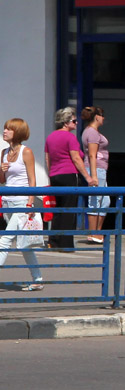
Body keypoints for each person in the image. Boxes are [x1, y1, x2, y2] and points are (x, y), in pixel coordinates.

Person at [1, 118, 46, 291]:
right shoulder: (4, 152)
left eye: (8, 129)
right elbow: (2, 180)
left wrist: (30, 203)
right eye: (5, 129)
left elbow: (32, 178)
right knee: (25, 245)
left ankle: (37, 279)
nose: (5, 131)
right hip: (7, 201)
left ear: (17, 132)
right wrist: (1, 169)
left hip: (21, 201)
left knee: (5, 239)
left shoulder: (26, 152)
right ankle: (38, 279)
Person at [45, 106, 91, 250]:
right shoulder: (70, 137)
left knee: (58, 209)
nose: (76, 123)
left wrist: (51, 174)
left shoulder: (50, 137)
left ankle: (53, 240)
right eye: (74, 121)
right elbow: (76, 158)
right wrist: (88, 178)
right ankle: (65, 243)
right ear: (66, 122)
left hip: (55, 175)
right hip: (69, 174)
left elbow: (48, 159)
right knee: (68, 209)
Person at [79, 106, 109, 244]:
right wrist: (94, 175)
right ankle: (93, 232)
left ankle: (97, 231)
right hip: (96, 169)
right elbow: (92, 155)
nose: (104, 119)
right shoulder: (92, 133)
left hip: (100, 169)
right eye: (102, 116)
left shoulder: (91, 132)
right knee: (95, 200)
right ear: (97, 117)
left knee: (104, 200)